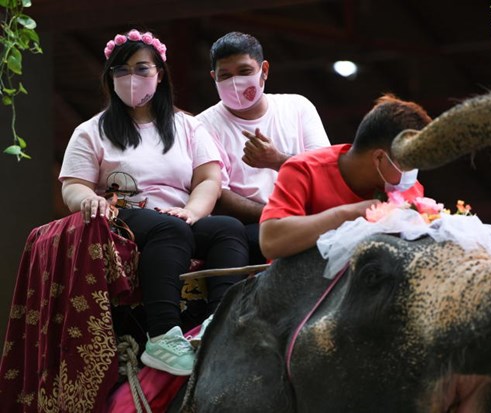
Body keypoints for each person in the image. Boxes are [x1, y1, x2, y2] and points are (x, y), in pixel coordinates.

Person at [59, 29, 249, 376]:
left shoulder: (188, 127)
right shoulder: (92, 131)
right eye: (121, 70)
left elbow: (209, 180)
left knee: (228, 228)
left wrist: (192, 211)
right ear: (110, 78)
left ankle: (218, 322)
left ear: (159, 75)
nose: (132, 78)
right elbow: (73, 185)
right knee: (168, 229)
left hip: (179, 214)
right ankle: (162, 335)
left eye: (142, 69)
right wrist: (88, 200)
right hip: (123, 217)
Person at [195, 31, 330, 264]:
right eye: (225, 76)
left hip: (309, 217)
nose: (235, 83)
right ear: (213, 77)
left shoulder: (298, 107)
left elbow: (326, 170)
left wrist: (277, 160)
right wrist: (276, 215)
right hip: (251, 226)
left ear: (264, 70)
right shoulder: (201, 126)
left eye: (244, 72)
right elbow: (219, 195)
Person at [259, 94, 432, 260]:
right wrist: (349, 214)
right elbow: (271, 241)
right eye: (409, 163)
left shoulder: (408, 189)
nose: (413, 172)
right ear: (379, 157)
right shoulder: (304, 169)